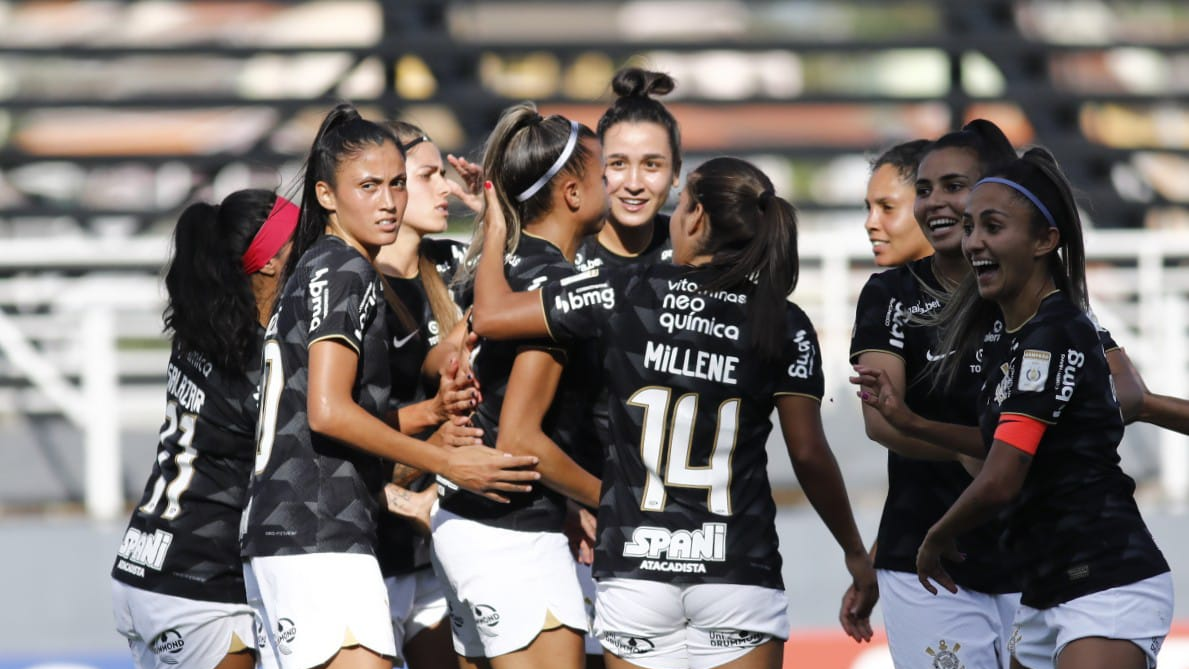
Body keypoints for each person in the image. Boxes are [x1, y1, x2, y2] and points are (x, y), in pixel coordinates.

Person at [470, 156, 877, 669]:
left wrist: (494, 227)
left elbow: (489, 315)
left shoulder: (625, 290)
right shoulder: (784, 320)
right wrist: (855, 553)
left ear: (699, 218)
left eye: (682, 202)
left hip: (635, 568)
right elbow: (809, 453)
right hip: (736, 569)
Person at [240, 103, 540, 669]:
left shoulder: (321, 264)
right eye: (369, 186)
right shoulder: (346, 269)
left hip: (292, 534)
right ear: (327, 196)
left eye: (398, 184)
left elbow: (309, 417)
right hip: (318, 531)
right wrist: (446, 462)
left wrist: (427, 412)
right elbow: (329, 413)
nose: (388, 201)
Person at [915, 148, 1173, 669]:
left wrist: (936, 536)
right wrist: (909, 422)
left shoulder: (1054, 333)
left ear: (1045, 240)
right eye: (970, 227)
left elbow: (1003, 476)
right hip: (1044, 589)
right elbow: (1001, 447)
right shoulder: (1011, 337)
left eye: (992, 225)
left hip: (1106, 580)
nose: (974, 242)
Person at [842, 123, 1023, 667]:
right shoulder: (889, 292)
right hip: (924, 561)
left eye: (954, 186)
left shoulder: (1033, 289)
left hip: (1031, 551)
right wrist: (991, 453)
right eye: (924, 190)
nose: (936, 202)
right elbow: (881, 422)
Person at [435, 103, 606, 669]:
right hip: (510, 533)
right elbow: (522, 442)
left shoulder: (504, 265)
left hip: (470, 520)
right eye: (605, 175)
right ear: (574, 194)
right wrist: (609, 501)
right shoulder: (555, 286)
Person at [111, 188, 298, 669]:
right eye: (304, 238)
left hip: (146, 561)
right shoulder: (257, 358)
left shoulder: (206, 331)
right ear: (272, 261)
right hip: (198, 582)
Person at [568, 65, 685, 664]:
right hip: (579, 528)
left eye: (652, 165)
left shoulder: (700, 262)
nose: (634, 183)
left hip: (688, 540)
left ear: (676, 175)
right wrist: (574, 500)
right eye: (617, 165)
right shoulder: (563, 263)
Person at [373, 119, 478, 669]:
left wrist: (492, 215)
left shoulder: (455, 267)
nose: (445, 189)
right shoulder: (349, 285)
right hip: (370, 547)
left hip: (441, 549)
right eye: (429, 175)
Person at [862, 139, 933, 268]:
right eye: (868, 208)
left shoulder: (979, 284)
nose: (869, 224)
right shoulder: (882, 287)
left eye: (887, 207)